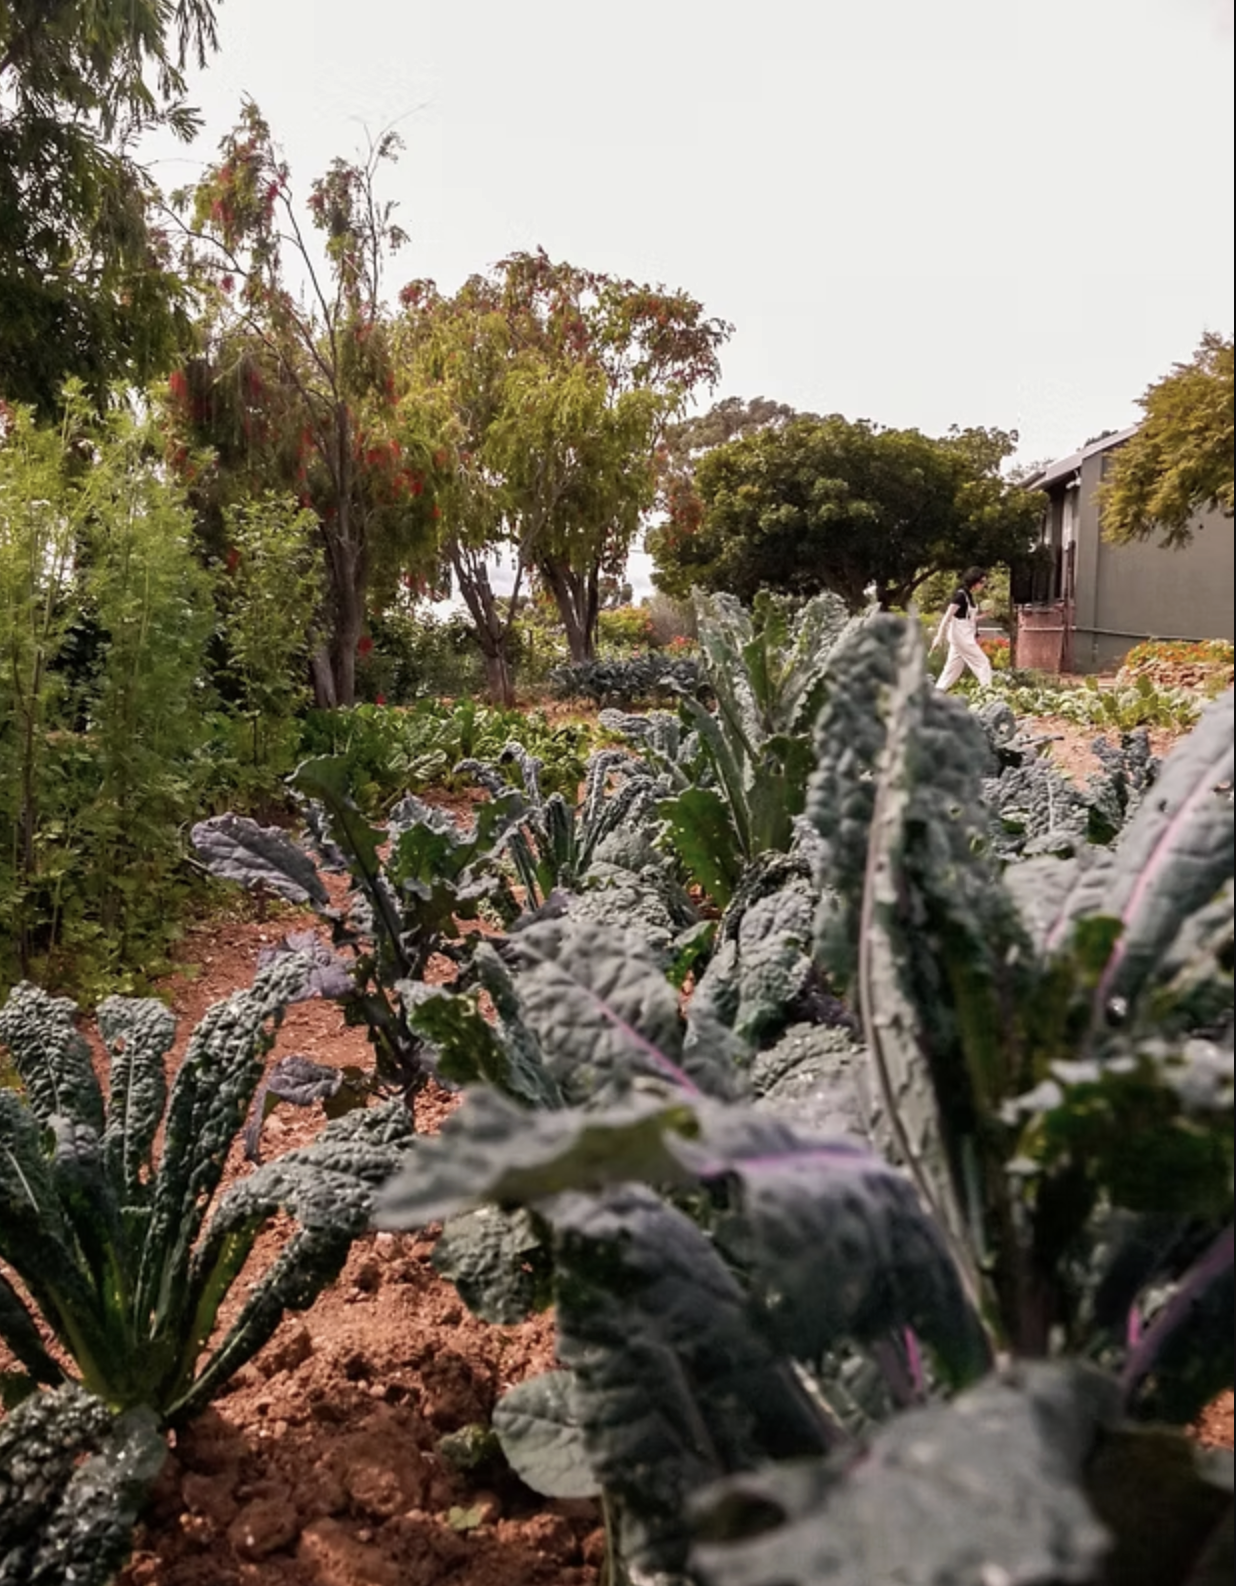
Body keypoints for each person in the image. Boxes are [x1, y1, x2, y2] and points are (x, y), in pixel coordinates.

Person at [931, 567, 992, 691]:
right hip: (961, 636)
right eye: (981, 582)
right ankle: (988, 693)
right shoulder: (960, 596)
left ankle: (937, 693)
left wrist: (984, 616)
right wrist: (939, 637)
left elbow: (968, 619)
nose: (982, 585)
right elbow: (947, 617)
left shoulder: (969, 596)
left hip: (963, 635)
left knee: (953, 668)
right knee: (983, 663)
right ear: (974, 581)